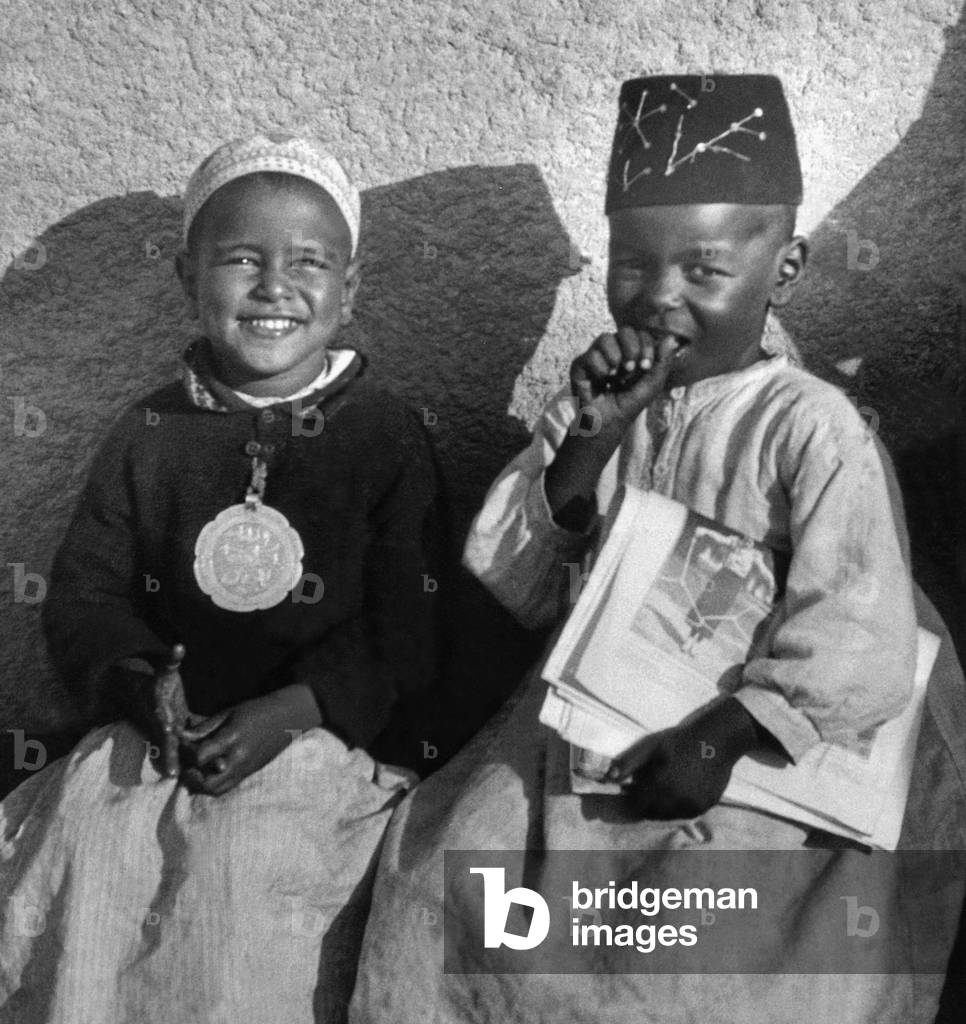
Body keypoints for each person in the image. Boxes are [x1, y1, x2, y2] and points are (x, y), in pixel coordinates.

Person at [347, 76, 966, 1024]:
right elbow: (516, 580)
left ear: (784, 268)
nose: (661, 298)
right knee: (455, 878)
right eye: (633, 265)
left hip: (760, 743)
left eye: (704, 271)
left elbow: (856, 627)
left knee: (726, 963)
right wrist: (590, 440)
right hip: (590, 725)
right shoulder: (599, 398)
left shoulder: (813, 427)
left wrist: (721, 736)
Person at [0, 133, 439, 1024]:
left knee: (242, 880)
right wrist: (136, 683)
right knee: (96, 843)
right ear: (188, 277)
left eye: (310, 263)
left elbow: (411, 629)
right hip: (161, 728)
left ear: (349, 290)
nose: (275, 287)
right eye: (242, 260)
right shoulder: (149, 434)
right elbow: (86, 596)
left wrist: (295, 710)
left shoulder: (385, 437)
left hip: (319, 741)